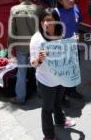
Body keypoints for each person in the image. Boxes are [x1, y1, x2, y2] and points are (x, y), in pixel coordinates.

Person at [30, 8, 76, 140]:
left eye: (49, 20)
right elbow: (33, 63)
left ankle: (60, 121)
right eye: (43, 21)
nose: (46, 24)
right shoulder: (37, 39)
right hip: (46, 81)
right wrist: (39, 59)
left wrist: (72, 45)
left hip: (60, 77)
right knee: (47, 108)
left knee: (58, 101)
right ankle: (49, 135)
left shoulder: (60, 34)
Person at [8, 0, 42, 104]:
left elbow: (12, 31)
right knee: (39, 69)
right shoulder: (38, 8)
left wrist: (10, 47)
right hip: (37, 46)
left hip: (21, 46)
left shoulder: (14, 9)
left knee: (21, 73)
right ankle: (41, 93)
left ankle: (20, 98)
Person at [55, 0, 82, 99]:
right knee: (63, 73)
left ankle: (72, 91)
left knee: (75, 70)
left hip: (74, 47)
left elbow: (77, 23)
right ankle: (61, 96)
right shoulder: (55, 13)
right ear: (60, 1)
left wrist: (77, 34)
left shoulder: (75, 8)